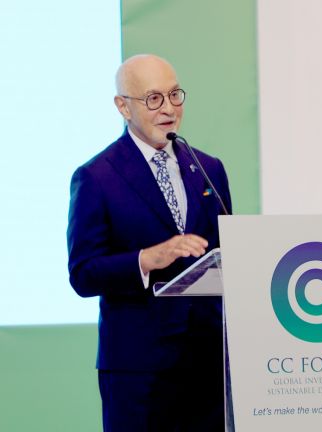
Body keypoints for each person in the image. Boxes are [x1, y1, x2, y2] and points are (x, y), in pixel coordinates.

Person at [67, 54, 231, 431]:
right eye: (154, 99)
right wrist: (145, 259)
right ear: (123, 106)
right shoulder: (96, 177)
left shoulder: (209, 168)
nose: (169, 109)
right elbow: (83, 274)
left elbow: (225, 255)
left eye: (175, 95)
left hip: (207, 364)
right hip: (139, 371)